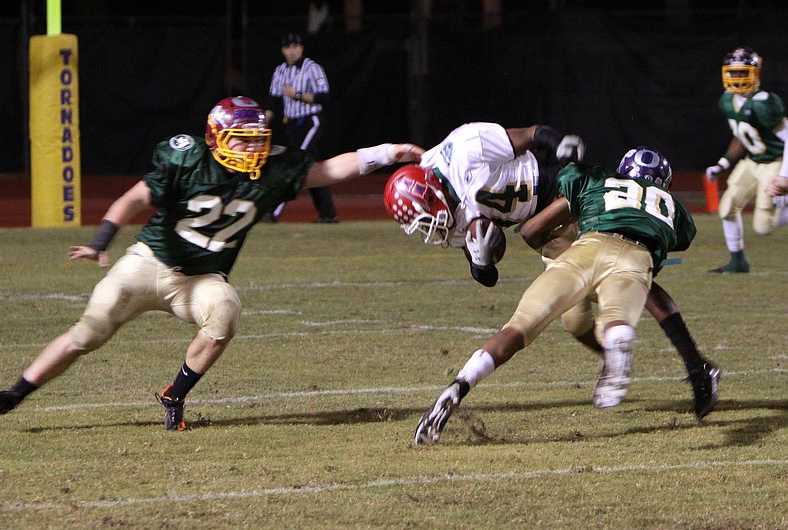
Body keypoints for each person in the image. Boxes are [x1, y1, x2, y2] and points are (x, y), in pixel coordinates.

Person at [0, 96, 424, 430]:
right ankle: (17, 391)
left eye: (257, 140)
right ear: (216, 138)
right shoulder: (187, 158)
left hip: (200, 279)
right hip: (150, 261)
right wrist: (101, 241)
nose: (252, 150)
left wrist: (389, 153)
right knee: (88, 332)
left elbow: (329, 170)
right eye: (242, 140)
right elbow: (134, 198)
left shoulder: (272, 168)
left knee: (226, 310)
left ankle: (175, 396)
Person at [385, 123, 719, 421]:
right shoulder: (451, 215)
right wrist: (481, 261)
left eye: (428, 214)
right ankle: (616, 355)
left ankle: (694, 365)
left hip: (561, 198)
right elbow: (488, 273)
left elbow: (531, 134)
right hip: (552, 230)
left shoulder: (463, 148)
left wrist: (558, 144)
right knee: (579, 316)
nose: (434, 226)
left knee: (619, 278)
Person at [704, 46, 788, 273]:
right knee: (727, 208)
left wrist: (784, 176)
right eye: (734, 72)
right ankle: (738, 261)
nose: (738, 78)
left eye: (743, 72)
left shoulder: (764, 102)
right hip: (753, 161)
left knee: (763, 227)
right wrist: (723, 162)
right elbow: (741, 136)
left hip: (776, 161)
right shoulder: (727, 100)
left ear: (755, 72)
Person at [265, 32, 338, 223]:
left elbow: (324, 97)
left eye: (296, 46)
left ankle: (274, 211)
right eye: (288, 47)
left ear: (302, 48)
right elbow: (273, 101)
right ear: (283, 50)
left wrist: (297, 95)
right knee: (310, 167)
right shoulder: (280, 71)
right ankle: (328, 214)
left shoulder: (311, 67)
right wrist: (262, 124)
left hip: (310, 121)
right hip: (292, 125)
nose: (292, 50)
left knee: (295, 163)